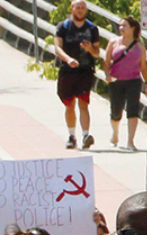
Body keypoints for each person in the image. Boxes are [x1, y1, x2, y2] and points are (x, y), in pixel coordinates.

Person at [55, 0, 101, 149]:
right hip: (67, 70)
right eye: (77, 7)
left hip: (85, 70)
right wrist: (68, 59)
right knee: (69, 104)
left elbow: (97, 52)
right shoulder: (63, 26)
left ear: (86, 10)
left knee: (83, 103)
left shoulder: (92, 28)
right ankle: (71, 135)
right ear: (72, 8)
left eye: (83, 8)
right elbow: (57, 48)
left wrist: (89, 49)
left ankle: (86, 135)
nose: (80, 10)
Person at [104, 16, 147, 151]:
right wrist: (107, 75)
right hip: (116, 80)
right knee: (116, 111)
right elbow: (106, 62)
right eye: (120, 26)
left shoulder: (140, 47)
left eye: (125, 26)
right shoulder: (113, 42)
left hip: (133, 81)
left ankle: (130, 141)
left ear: (133, 28)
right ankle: (115, 134)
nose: (121, 28)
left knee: (133, 110)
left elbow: (143, 68)